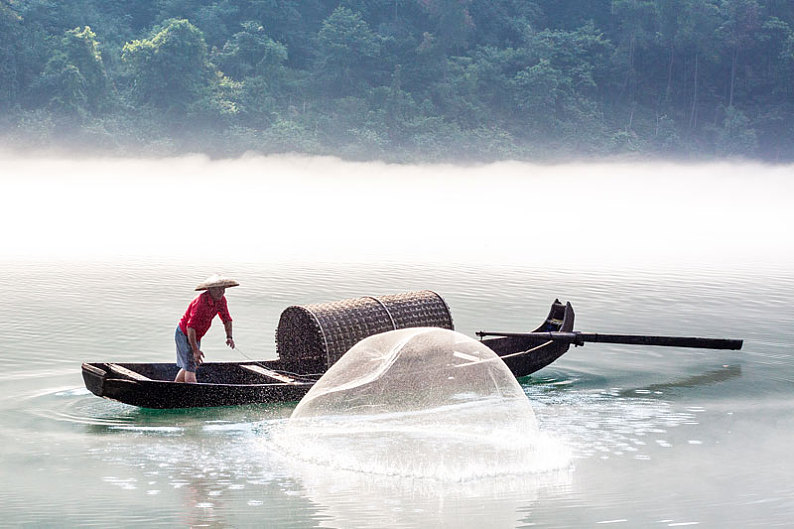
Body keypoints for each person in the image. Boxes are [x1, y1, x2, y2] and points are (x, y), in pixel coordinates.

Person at [175, 275, 238, 383]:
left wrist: (229, 336)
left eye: (223, 289)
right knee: (191, 366)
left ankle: (174, 389)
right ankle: (194, 397)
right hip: (185, 334)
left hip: (196, 335)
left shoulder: (221, 300)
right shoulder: (201, 303)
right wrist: (195, 350)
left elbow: (227, 319)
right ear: (209, 290)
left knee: (191, 365)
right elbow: (190, 327)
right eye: (217, 289)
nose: (221, 292)